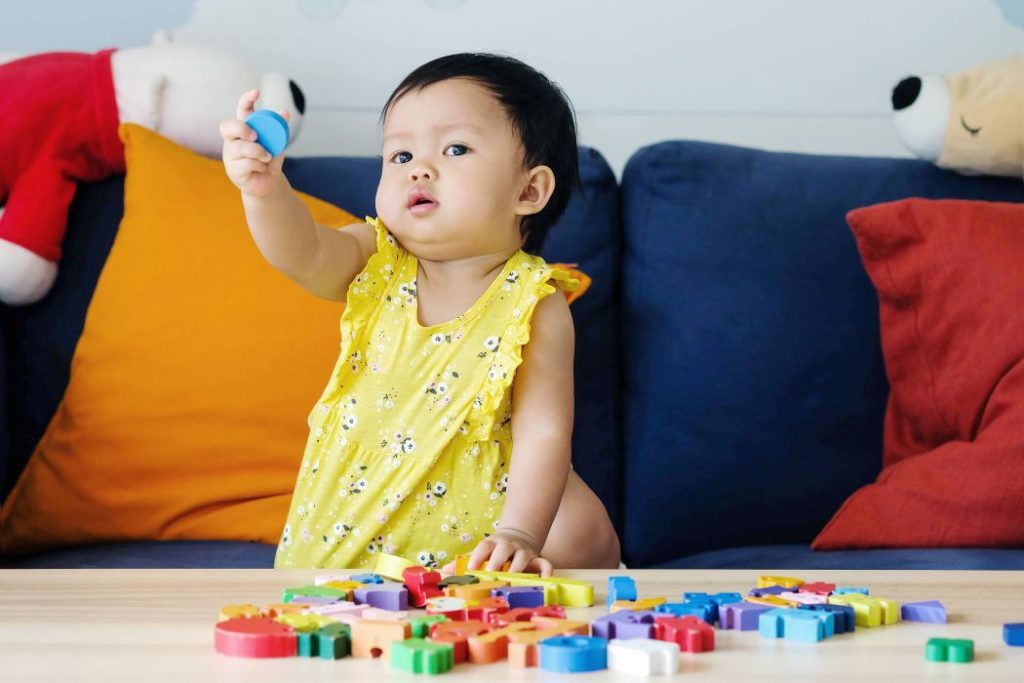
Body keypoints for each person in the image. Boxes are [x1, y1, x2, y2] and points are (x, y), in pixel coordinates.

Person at [220, 53, 620, 576]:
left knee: (581, 528)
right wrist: (266, 192)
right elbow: (306, 253)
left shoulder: (533, 302)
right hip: (351, 516)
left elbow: (543, 431)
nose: (419, 168)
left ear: (529, 190)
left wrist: (519, 533)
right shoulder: (376, 258)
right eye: (401, 154)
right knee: (328, 605)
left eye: (455, 149)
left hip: (470, 536)